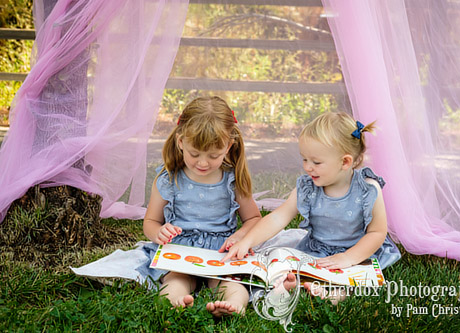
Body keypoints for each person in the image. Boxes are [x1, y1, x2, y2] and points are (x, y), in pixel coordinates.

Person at [222, 112, 401, 301]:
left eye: (316, 162)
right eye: (304, 159)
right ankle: (298, 284)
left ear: (345, 162)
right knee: (285, 262)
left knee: (351, 279)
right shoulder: (308, 187)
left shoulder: (367, 189)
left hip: (358, 250)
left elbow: (377, 233)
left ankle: (335, 294)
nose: (308, 167)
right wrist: (247, 241)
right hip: (317, 250)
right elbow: (278, 218)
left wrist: (348, 258)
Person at [143, 96, 261, 316]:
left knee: (231, 284)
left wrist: (241, 237)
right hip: (180, 249)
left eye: (213, 155)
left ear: (228, 145)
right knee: (175, 280)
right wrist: (158, 232)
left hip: (221, 250)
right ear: (180, 142)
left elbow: (254, 218)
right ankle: (176, 302)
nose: (203, 163)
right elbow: (150, 221)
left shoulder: (231, 179)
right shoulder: (169, 178)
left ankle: (234, 306)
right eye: (194, 154)